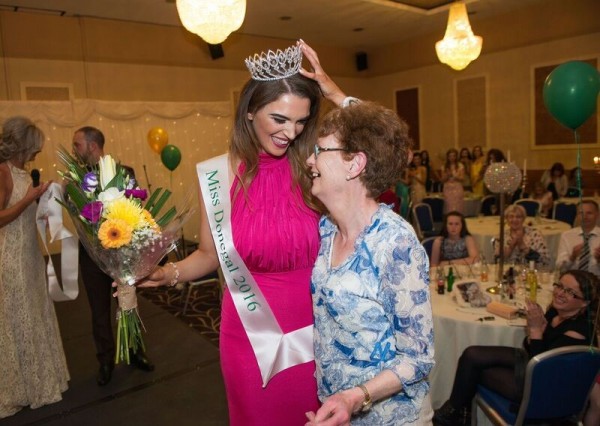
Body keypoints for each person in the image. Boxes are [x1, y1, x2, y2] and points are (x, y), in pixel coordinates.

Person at [137, 41, 346, 425]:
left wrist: (335, 94)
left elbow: (383, 152)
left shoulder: (315, 167)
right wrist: (169, 273)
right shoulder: (218, 176)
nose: (291, 132)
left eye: (301, 122)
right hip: (252, 338)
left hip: (318, 332)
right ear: (249, 111)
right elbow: (208, 254)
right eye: (279, 119)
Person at [305, 101, 434, 425]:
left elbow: (418, 359)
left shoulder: (395, 243)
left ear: (355, 164)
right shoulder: (325, 230)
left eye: (320, 150)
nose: (310, 160)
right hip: (337, 411)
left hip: (393, 417)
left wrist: (355, 396)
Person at [433, 269, 600, 426]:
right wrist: (535, 333)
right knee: (472, 355)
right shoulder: (556, 313)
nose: (560, 293)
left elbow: (542, 370)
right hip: (534, 366)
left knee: (476, 372)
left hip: (546, 390)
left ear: (584, 303)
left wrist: (535, 331)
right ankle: (456, 413)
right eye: (560, 286)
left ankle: (455, 416)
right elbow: (532, 349)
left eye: (570, 292)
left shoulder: (578, 332)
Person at [72, 126, 154, 386]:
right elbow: (77, 214)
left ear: (92, 146)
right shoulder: (76, 178)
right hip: (91, 258)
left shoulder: (124, 173)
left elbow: (138, 206)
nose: (75, 150)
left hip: (121, 255)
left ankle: (135, 352)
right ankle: (105, 360)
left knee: (128, 306)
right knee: (99, 312)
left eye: (77, 145)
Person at [0, 116, 69, 418]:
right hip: (11, 257)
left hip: (29, 254)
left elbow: (33, 216)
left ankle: (39, 382)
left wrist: (48, 197)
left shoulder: (22, 171)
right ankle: (19, 389)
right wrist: (29, 197)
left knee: (34, 313)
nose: (36, 155)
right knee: (19, 318)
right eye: (34, 149)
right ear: (21, 145)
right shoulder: (2, 172)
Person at [556, 200, 600, 277]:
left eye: (589, 213)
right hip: (572, 281)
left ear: (597, 215)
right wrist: (572, 258)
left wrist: (599, 260)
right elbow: (560, 269)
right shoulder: (567, 236)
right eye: (581, 213)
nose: (585, 217)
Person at [441, 148, 465, 214]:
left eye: (454, 156)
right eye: (450, 156)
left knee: (458, 207)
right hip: (448, 189)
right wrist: (447, 176)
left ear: (456, 156)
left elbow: (462, 178)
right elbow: (442, 180)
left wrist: (454, 175)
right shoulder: (444, 166)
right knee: (449, 207)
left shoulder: (460, 166)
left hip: (457, 188)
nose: (452, 158)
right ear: (448, 157)